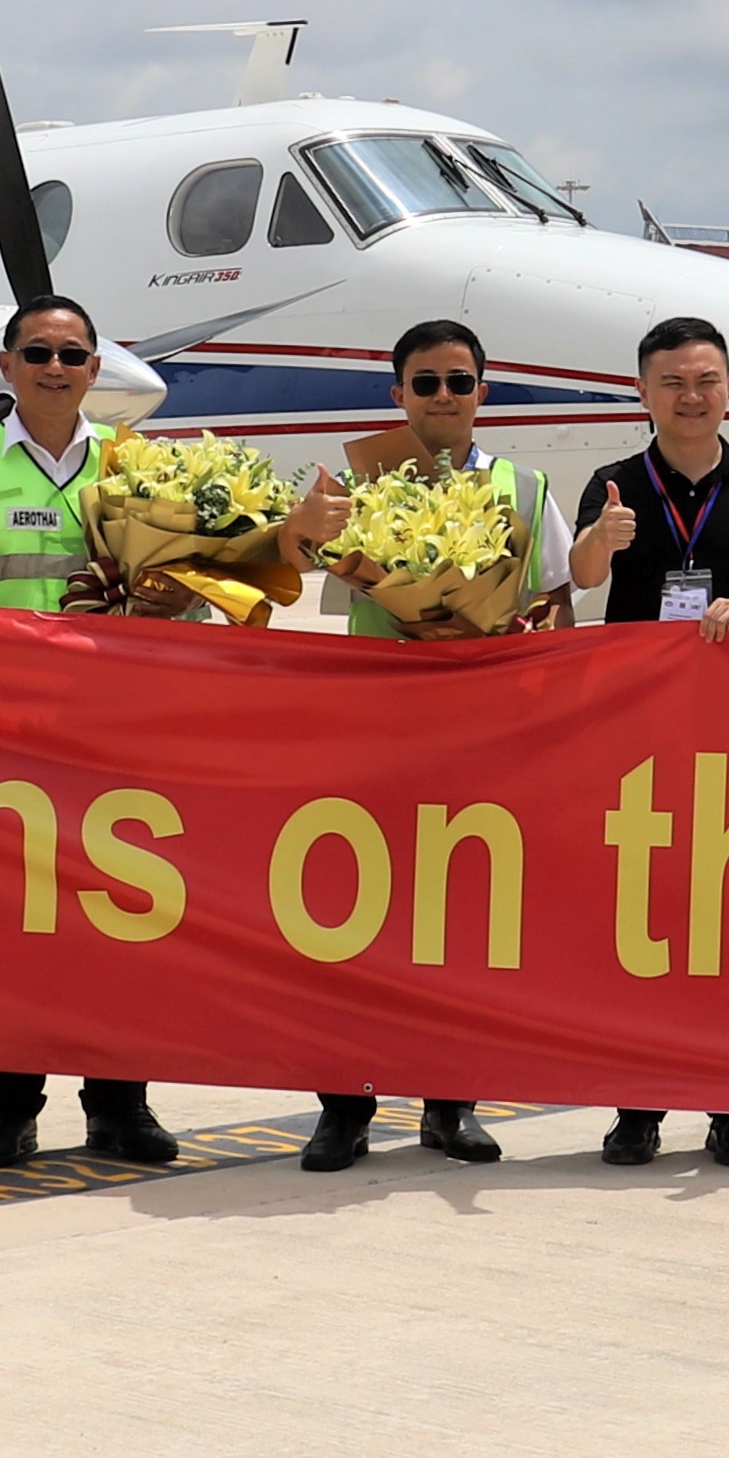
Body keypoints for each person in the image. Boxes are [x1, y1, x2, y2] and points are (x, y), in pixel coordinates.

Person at [0, 291, 185, 1174]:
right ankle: (7, 1111)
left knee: (121, 927)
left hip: (110, 739)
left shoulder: (139, 462)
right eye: (38, 354)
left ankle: (120, 1104)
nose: (55, 369)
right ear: (7, 366)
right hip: (2, 739)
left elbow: (176, 587)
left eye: (71, 356)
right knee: (8, 932)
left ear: (96, 371)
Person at [569, 315, 729, 1168]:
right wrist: (597, 543)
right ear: (642, 391)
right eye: (673, 381)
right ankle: (636, 1102)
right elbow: (580, 577)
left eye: (707, 379)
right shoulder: (613, 485)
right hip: (635, 736)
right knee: (639, 918)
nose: (691, 395)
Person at [297, 320, 557, 1174]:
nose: (442, 395)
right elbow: (303, 567)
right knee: (350, 917)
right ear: (396, 393)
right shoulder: (362, 479)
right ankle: (344, 1105)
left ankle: (452, 1102)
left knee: (463, 921)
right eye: (425, 381)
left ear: (485, 391)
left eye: (458, 379)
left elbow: (553, 600)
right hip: (374, 727)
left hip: (483, 738)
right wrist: (305, 526)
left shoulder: (526, 484)